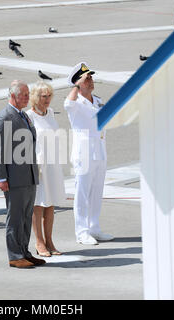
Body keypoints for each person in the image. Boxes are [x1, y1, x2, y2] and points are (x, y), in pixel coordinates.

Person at [0, 80, 45, 268]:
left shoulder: (22, 115)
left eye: (27, 94)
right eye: (23, 94)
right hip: (14, 178)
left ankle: (24, 251)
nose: (27, 97)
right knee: (15, 217)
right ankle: (14, 256)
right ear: (13, 96)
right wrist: (1, 178)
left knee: (25, 216)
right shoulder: (4, 118)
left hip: (28, 175)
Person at [64, 62, 114, 245]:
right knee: (82, 193)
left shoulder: (98, 100)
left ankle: (94, 227)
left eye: (91, 77)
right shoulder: (75, 102)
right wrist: (77, 86)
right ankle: (82, 231)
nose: (91, 80)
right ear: (78, 83)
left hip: (99, 151)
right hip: (84, 154)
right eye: (87, 78)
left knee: (96, 191)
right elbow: (67, 103)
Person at [26, 81, 66, 257]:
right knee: (38, 203)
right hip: (38, 165)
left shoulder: (50, 112)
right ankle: (39, 241)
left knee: (50, 203)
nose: (48, 99)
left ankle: (49, 240)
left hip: (53, 163)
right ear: (35, 97)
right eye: (44, 96)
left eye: (49, 95)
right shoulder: (29, 116)